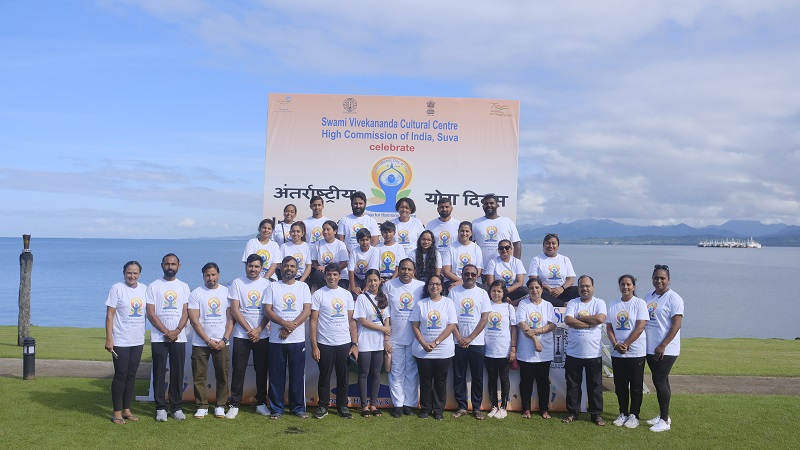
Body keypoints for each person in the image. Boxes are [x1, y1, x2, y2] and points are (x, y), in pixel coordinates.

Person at [263, 256, 313, 419]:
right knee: (276, 375)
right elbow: (267, 310)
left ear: (297, 269)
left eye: (292, 266)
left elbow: (306, 311)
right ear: (281, 268)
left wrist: (291, 327)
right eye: (286, 266)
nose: (289, 268)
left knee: (297, 375)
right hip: (277, 339)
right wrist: (284, 323)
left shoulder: (303, 287)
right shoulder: (272, 287)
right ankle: (277, 409)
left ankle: (298, 407)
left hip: (297, 339)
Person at [310, 264, 358, 419]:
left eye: (335, 274)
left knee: (343, 377)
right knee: (324, 376)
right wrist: (314, 346)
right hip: (324, 343)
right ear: (325, 276)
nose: (332, 277)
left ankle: (342, 406)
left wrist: (354, 344)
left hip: (344, 342)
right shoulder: (318, 295)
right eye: (329, 274)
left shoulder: (346, 294)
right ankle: (322, 406)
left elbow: (351, 321)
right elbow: (313, 322)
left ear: (339, 276)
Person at [146, 253, 190, 422]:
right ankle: (160, 408)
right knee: (158, 372)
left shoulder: (184, 286)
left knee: (178, 373)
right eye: (167, 264)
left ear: (179, 266)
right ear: (162, 265)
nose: (170, 267)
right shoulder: (153, 286)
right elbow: (150, 313)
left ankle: (176, 407)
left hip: (179, 337)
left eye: (173, 264)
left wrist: (177, 330)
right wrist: (166, 331)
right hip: (159, 337)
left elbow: (186, 311)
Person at [227, 254, 271, 419]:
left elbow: (269, 310)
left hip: (263, 335)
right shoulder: (237, 283)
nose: (253, 269)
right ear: (246, 266)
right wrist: (250, 330)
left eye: (256, 266)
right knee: (238, 370)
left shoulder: (267, 284)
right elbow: (235, 310)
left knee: (261, 370)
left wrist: (259, 329)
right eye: (250, 266)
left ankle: (261, 403)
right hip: (241, 335)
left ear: (261, 268)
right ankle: (234, 404)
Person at [188, 263, 234, 419]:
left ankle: (220, 405)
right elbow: (194, 320)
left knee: (222, 375)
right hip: (201, 343)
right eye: (207, 275)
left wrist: (225, 339)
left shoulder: (226, 293)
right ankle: (202, 406)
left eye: (213, 275)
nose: (210, 278)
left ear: (218, 275)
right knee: (199, 376)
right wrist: (207, 340)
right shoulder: (196, 293)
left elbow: (231, 318)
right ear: (203, 276)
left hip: (222, 342)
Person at [105, 261, 147, 424]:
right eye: (129, 273)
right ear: (124, 273)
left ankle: (126, 409)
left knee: (131, 375)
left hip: (137, 339)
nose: (132, 276)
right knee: (121, 374)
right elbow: (110, 315)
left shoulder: (144, 289)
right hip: (120, 340)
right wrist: (109, 338)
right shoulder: (117, 289)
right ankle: (117, 411)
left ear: (139, 274)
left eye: (135, 273)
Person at [410, 275, 458, 420]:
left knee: (440, 381)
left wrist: (436, 342)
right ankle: (425, 409)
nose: (434, 286)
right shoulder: (421, 304)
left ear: (442, 287)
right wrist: (423, 343)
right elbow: (415, 325)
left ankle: (438, 410)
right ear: (427, 286)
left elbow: (451, 325)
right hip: (422, 349)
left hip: (443, 350)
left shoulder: (448, 303)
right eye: (431, 284)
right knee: (425, 380)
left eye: (437, 284)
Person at [562, 275, 607, 426]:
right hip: (574, 353)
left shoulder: (599, 302)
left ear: (593, 287)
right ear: (578, 288)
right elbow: (568, 320)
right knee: (573, 385)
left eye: (587, 286)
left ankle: (596, 415)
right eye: (581, 286)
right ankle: (573, 413)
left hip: (593, 353)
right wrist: (589, 324)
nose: (584, 288)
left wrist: (579, 318)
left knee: (595, 386)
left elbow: (600, 319)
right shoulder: (573, 303)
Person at [383, 258, 425, 418]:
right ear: (398, 269)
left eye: (409, 269)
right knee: (396, 371)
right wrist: (386, 338)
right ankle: (398, 405)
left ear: (414, 271)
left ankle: (410, 404)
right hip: (395, 336)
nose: (406, 272)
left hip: (415, 336)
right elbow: (385, 311)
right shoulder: (389, 285)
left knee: (412, 372)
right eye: (403, 269)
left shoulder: (420, 286)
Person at [644, 264, 684, 433]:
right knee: (662, 380)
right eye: (656, 278)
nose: (659, 281)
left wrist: (663, 344)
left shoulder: (674, 298)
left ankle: (664, 421)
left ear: (668, 280)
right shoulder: (648, 297)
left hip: (666, 349)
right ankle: (664, 415)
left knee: (659, 381)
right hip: (650, 348)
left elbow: (676, 325)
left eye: (662, 278)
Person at [448, 264, 491, 420]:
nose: (470, 277)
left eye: (473, 274)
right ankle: (462, 406)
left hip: (477, 342)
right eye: (467, 274)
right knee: (459, 375)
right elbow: (450, 318)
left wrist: (470, 338)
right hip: (457, 341)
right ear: (462, 275)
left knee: (477, 376)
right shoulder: (453, 292)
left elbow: (484, 318)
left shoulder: (482, 293)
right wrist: (460, 338)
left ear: (477, 276)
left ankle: (477, 408)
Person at [606, 274, 648, 429]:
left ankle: (634, 415)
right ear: (619, 286)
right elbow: (609, 327)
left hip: (636, 351)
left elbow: (640, 326)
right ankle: (623, 412)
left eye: (628, 284)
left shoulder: (639, 303)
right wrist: (616, 344)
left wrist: (627, 344)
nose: (625, 287)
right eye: (623, 284)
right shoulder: (613, 303)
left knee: (636, 385)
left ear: (634, 287)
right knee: (620, 385)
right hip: (617, 352)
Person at [516, 277, 557, 419]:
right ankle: (526, 409)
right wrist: (535, 340)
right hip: (526, 351)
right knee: (526, 381)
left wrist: (537, 331)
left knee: (543, 382)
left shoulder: (548, 305)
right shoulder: (523, 304)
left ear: (542, 289)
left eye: (537, 288)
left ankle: (544, 409)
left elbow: (552, 325)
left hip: (544, 352)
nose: (535, 290)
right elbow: (522, 324)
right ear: (528, 290)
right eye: (532, 288)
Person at [353, 269, 391, 417]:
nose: (373, 283)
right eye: (370, 280)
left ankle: (373, 405)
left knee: (376, 374)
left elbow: (387, 318)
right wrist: (383, 328)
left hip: (379, 342)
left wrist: (386, 339)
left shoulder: (384, 297)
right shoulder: (362, 298)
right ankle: (364, 406)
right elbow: (362, 321)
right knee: (363, 373)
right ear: (366, 282)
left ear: (380, 280)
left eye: (375, 280)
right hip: (364, 341)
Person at [483, 280, 518, 419]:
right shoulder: (485, 306)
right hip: (488, 349)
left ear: (503, 293)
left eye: (499, 291)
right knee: (491, 378)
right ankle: (493, 406)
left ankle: (503, 407)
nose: (496, 294)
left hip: (504, 349)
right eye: (493, 291)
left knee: (504, 379)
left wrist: (513, 348)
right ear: (489, 292)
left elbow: (513, 329)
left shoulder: (508, 308)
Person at [528, 233, 578, 307]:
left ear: (558, 245)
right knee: (539, 292)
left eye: (553, 243)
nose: (551, 246)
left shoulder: (565, 259)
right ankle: (563, 304)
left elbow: (571, 279)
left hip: (562, 290)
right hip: (546, 291)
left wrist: (561, 288)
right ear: (543, 245)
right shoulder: (536, 259)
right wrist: (548, 288)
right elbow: (533, 279)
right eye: (548, 243)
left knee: (577, 290)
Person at [472, 194, 521, 268]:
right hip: (481, 268)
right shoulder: (475, 223)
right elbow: (469, 245)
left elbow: (517, 243)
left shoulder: (507, 222)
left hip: (504, 269)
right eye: (486, 203)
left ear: (497, 205)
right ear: (482, 206)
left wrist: (515, 264)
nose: (489, 205)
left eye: (492, 203)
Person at [442, 221, 483, 292]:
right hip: (454, 281)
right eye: (462, 231)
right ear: (458, 231)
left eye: (467, 231)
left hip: (472, 280)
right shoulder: (451, 247)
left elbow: (478, 272)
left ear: (471, 233)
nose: (464, 234)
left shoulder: (476, 248)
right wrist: (461, 281)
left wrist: (465, 281)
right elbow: (446, 271)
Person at [485, 239, 528, 304]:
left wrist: (505, 292)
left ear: (511, 249)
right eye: (501, 248)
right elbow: (490, 283)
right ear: (498, 250)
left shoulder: (517, 262)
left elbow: (520, 282)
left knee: (526, 291)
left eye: (507, 247)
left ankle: (512, 303)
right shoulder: (492, 262)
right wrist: (500, 292)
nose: (504, 250)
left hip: (512, 291)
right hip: (497, 291)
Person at [310, 220, 349, 291]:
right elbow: (314, 261)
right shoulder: (317, 244)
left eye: (328, 229)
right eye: (324, 229)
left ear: (335, 231)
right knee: (317, 274)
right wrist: (318, 267)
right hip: (324, 276)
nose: (325, 232)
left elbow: (344, 263)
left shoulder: (340, 244)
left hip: (340, 276)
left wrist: (330, 270)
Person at [348, 228, 380, 297]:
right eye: (362, 240)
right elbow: (351, 270)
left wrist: (367, 287)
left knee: (369, 294)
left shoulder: (375, 251)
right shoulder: (354, 251)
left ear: (370, 239)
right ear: (358, 241)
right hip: (357, 277)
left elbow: (372, 270)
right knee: (355, 295)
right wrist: (353, 288)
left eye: (367, 240)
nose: (365, 242)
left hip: (369, 278)